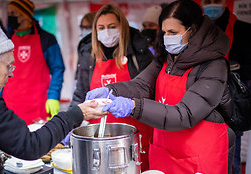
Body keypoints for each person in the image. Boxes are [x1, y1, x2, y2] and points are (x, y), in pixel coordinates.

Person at [0, 11, 106, 173]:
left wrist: (53, 96)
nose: (11, 73)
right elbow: (30, 146)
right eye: (8, 66)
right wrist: (76, 114)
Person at [86, 0, 236, 173]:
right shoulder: (167, 58)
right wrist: (111, 90)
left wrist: (133, 107)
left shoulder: (214, 66)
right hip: (165, 151)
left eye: (173, 32)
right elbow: (142, 85)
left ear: (193, 30)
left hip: (199, 158)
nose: (167, 37)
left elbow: (184, 114)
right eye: (164, 32)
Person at [70, 4, 154, 171]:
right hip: (99, 138)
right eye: (101, 28)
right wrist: (70, 122)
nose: (106, 32)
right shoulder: (89, 54)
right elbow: (80, 93)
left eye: (112, 26)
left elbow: (149, 90)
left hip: (133, 136)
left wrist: (128, 104)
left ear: (122, 27)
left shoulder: (139, 52)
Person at [200, 1, 251, 173]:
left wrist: (233, 69)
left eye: (216, 0)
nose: (212, 4)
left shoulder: (243, 29)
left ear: (225, 2)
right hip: (202, 101)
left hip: (232, 103)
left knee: (231, 159)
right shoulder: (197, 30)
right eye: (207, 1)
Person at [4, 0, 65, 125]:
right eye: (8, 13)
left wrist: (53, 96)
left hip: (38, 106)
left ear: (25, 15)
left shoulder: (46, 39)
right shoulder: (6, 39)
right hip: (9, 106)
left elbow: (57, 69)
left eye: (13, 13)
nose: (9, 16)